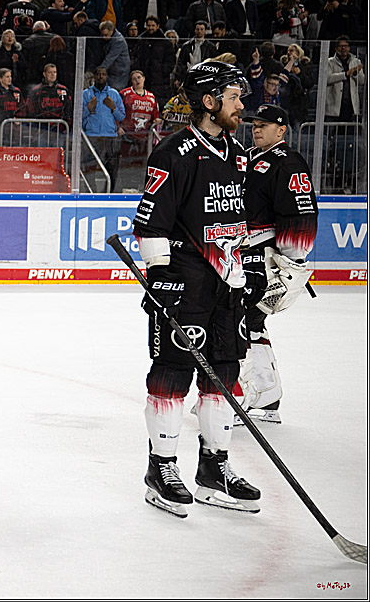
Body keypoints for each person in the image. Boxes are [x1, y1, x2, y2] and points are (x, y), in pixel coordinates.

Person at [132, 60, 260, 518]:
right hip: (186, 284)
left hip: (228, 283)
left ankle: (213, 468)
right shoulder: (175, 152)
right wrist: (161, 277)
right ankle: (161, 468)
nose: (241, 105)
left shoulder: (238, 154)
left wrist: (252, 269)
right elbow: (149, 223)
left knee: (223, 375)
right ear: (209, 102)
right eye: (233, 97)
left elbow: (238, 220)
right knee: (172, 373)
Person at [237, 104, 318, 425]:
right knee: (250, 323)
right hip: (245, 253)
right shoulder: (249, 156)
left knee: (237, 322)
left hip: (268, 257)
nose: (257, 129)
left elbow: (301, 212)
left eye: (265, 125)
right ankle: (268, 395)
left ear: (282, 129)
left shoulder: (288, 163)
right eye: (255, 124)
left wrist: (291, 261)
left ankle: (238, 397)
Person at [82, 67, 125, 191]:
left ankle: (109, 194)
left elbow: (121, 116)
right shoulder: (86, 94)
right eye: (98, 74)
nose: (101, 77)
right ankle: (90, 193)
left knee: (112, 168)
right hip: (91, 136)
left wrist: (113, 108)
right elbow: (78, 116)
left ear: (107, 77)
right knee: (90, 168)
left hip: (110, 137)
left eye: (104, 74)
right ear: (94, 77)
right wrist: (89, 108)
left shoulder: (114, 94)